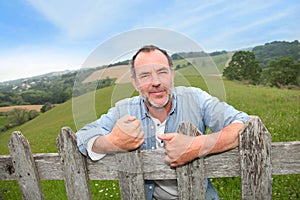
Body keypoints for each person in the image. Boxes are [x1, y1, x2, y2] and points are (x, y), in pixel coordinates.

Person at [76, 45, 249, 200]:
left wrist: (198, 145)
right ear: (135, 83)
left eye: (162, 72)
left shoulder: (196, 98)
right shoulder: (123, 110)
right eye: (145, 75)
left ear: (172, 75)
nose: (156, 82)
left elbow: (244, 123)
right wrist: (111, 143)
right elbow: (83, 136)